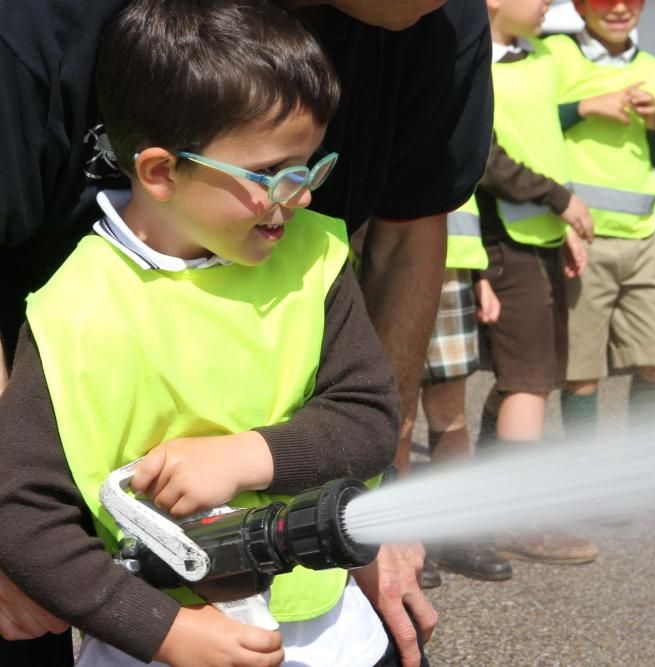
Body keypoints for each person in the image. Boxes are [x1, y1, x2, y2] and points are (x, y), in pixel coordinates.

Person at [0, 0, 491, 663]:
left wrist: (247, 457)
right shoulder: (70, 313)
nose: (304, 197)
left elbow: (370, 417)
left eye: (312, 167)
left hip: (333, 634)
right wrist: (163, 631)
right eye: (272, 175)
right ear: (160, 171)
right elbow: (24, 511)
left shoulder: (316, 263)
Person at [476, 0, 598, 566]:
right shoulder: (475, 66)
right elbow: (487, 161)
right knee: (527, 383)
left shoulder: (537, 56)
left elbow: (542, 143)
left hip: (544, 241)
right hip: (508, 246)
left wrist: (564, 223)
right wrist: (559, 199)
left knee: (529, 379)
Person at [547, 0, 655, 440]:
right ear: (581, 7)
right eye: (605, 0)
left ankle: (637, 469)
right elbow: (528, 125)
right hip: (584, 241)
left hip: (644, 241)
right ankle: (587, 476)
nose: (621, 8)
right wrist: (585, 107)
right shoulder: (555, 56)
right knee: (582, 372)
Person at [396, 199, 513, 585]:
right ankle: (398, 538)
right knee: (400, 412)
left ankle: (454, 534)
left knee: (450, 409)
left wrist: (480, 276)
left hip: (454, 265)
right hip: (391, 260)